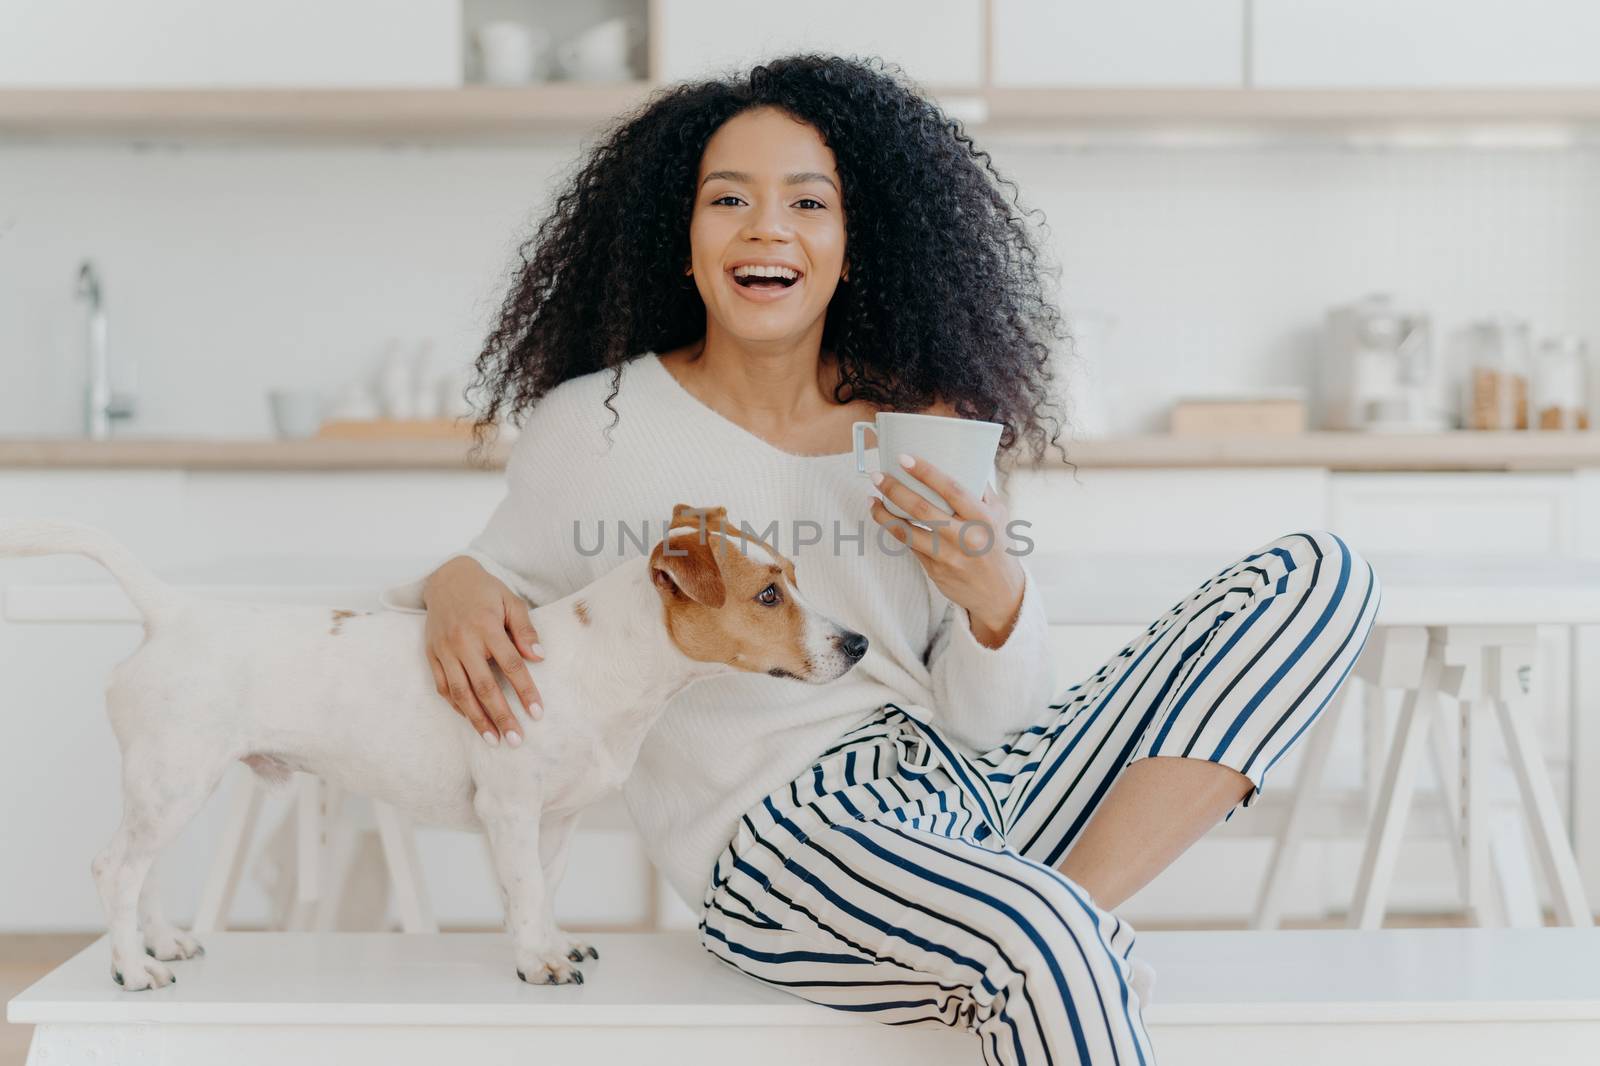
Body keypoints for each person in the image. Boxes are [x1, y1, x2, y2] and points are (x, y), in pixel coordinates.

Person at [380, 54, 1380, 1065]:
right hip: (780, 844)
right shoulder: (595, 426)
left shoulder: (923, 424)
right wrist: (450, 581)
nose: (767, 226)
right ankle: (1041, 933)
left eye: (808, 202)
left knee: (1322, 575)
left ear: (853, 246)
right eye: (728, 198)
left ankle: (1053, 918)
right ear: (678, 242)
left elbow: (995, 722)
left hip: (967, 795)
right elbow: (492, 585)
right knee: (1040, 938)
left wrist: (994, 593)